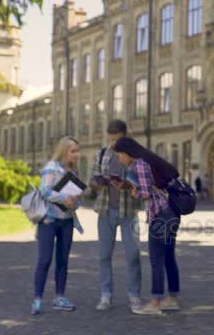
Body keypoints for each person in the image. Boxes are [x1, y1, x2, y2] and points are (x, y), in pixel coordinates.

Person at [113, 137, 182, 315]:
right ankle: (172, 299)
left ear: (128, 153)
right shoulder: (150, 160)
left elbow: (145, 193)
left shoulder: (140, 165)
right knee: (168, 257)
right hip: (172, 212)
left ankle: (155, 302)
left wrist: (134, 190)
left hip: (159, 215)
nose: (120, 159)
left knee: (156, 259)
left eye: (120, 155)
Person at [88, 120, 143, 313]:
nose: (113, 143)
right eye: (110, 139)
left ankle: (134, 296)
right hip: (105, 211)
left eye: (116, 139)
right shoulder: (102, 154)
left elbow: (142, 184)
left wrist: (127, 185)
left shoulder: (136, 155)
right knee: (104, 256)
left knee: (133, 256)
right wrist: (99, 183)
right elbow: (92, 181)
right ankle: (106, 295)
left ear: (124, 136)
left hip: (129, 212)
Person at [31, 136, 84, 315]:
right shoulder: (50, 168)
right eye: (73, 151)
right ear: (64, 151)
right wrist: (64, 198)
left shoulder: (74, 173)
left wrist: (74, 202)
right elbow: (45, 191)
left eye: (78, 150)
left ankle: (59, 298)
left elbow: (77, 200)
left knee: (63, 260)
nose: (77, 154)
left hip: (67, 221)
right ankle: (37, 300)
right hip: (49, 221)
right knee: (44, 260)